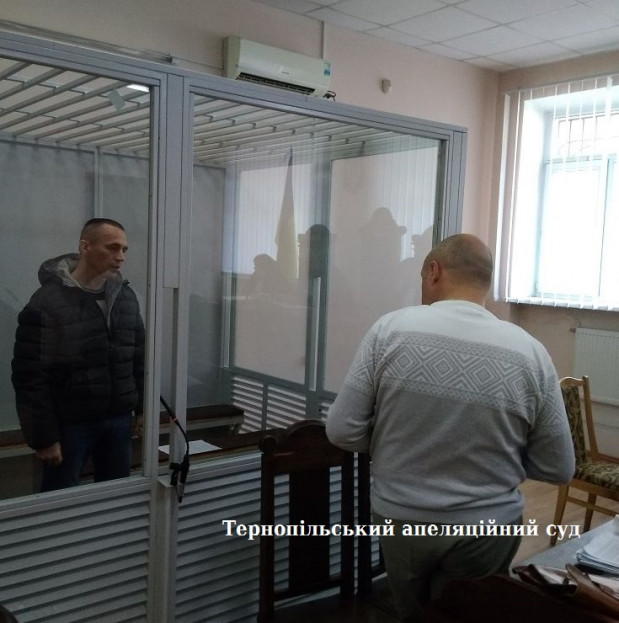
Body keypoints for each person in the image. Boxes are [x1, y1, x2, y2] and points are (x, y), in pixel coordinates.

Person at [326, 233, 575, 622]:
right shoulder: (531, 353)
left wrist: (396, 441)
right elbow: (559, 466)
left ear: (434, 271)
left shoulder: (389, 331)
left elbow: (342, 430)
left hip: (403, 517)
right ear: (485, 282)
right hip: (488, 527)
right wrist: (495, 454)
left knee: (413, 615)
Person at [12, 218, 145, 492]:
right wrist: (44, 437)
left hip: (119, 420)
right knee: (61, 501)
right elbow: (30, 375)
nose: (121, 257)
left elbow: (138, 358)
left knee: (116, 498)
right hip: (70, 424)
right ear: (86, 247)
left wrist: (143, 409)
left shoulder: (125, 297)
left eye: (124, 250)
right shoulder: (48, 301)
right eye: (112, 248)